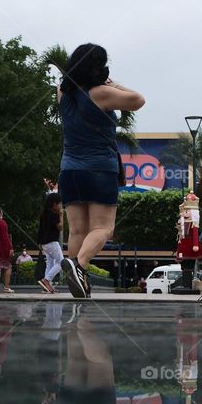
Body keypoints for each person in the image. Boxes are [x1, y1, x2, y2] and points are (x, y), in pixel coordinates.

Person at [57, 44, 146, 299]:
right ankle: (79, 265)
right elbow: (139, 100)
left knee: (76, 231)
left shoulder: (62, 93)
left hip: (69, 170)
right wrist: (114, 82)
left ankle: (78, 281)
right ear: (97, 67)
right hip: (98, 170)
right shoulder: (101, 93)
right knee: (104, 229)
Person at [37, 192, 64, 294]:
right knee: (61, 262)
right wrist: (61, 216)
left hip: (44, 243)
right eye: (59, 204)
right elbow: (60, 227)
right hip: (52, 242)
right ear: (54, 204)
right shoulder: (54, 214)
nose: (61, 206)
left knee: (50, 263)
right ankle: (47, 280)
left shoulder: (44, 213)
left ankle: (47, 287)